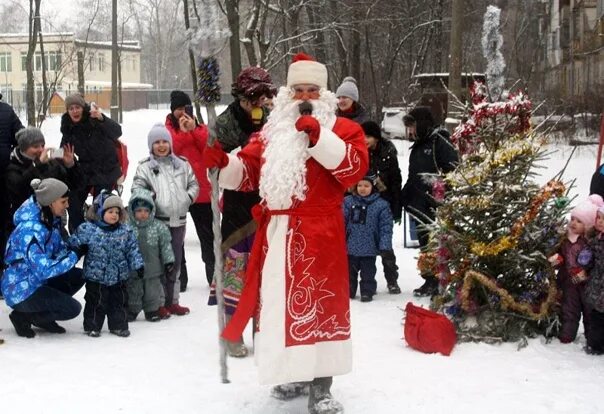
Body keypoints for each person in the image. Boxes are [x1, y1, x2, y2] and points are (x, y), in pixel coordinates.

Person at [203, 52, 368, 414]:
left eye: (311, 89)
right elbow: (248, 171)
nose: (304, 96)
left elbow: (353, 170)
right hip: (277, 233)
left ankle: (321, 386)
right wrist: (224, 163)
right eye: (297, 89)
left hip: (318, 236)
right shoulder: (271, 131)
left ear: (323, 93)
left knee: (319, 310)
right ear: (286, 93)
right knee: (279, 310)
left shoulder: (344, 129)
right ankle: (292, 373)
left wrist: (319, 138)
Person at [207, 66, 276, 358]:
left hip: (270, 201)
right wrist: (243, 154)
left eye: (263, 97)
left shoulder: (274, 121)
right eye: (253, 98)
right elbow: (213, 164)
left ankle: (264, 331)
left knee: (267, 274)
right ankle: (232, 332)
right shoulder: (225, 123)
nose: (259, 103)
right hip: (237, 206)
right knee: (237, 270)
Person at [2, 178, 84, 338]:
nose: (67, 205)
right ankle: (23, 316)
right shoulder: (30, 230)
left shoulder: (48, 221)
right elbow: (45, 270)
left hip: (35, 280)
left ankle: (42, 316)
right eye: (64, 201)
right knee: (72, 309)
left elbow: (58, 252)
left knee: (78, 276)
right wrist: (74, 255)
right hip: (20, 289)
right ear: (50, 202)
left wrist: (77, 245)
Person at [132, 124, 198, 318]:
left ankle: (173, 301)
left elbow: (194, 184)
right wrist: (150, 199)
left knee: (175, 263)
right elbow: (137, 188)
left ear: (170, 144)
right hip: (157, 223)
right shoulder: (145, 167)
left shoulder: (182, 165)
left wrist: (188, 197)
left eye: (164, 142)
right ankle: (158, 302)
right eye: (157, 142)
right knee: (159, 264)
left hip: (179, 221)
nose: (161, 146)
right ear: (150, 146)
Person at [68, 191, 144, 337]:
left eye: (117, 212)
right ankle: (92, 326)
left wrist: (138, 265)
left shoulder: (125, 231)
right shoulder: (88, 229)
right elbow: (73, 242)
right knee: (95, 302)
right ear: (99, 211)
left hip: (119, 275)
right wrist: (77, 250)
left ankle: (118, 325)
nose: (114, 215)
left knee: (119, 302)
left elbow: (132, 250)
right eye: (110, 211)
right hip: (96, 276)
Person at [402, 106, 459, 297]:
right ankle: (430, 280)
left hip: (436, 205)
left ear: (422, 125)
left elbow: (453, 170)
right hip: (419, 205)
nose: (410, 131)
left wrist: (440, 191)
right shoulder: (418, 146)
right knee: (424, 244)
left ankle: (440, 280)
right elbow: (414, 176)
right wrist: (404, 197)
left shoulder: (439, 142)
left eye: (412, 126)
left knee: (437, 245)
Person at [165, 90, 213, 290]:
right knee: (176, 238)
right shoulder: (165, 131)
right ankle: (179, 278)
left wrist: (194, 129)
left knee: (208, 236)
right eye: (178, 109)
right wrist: (185, 134)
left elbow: (210, 147)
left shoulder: (200, 128)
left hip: (202, 192)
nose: (181, 113)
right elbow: (169, 150)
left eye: (185, 108)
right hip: (178, 193)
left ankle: (213, 275)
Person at [60, 93, 122, 231]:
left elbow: (117, 132)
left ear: (83, 108)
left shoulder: (94, 118)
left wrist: (102, 118)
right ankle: (80, 234)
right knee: (73, 203)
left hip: (106, 168)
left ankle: (99, 236)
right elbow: (63, 151)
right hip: (85, 170)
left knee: (99, 205)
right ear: (67, 111)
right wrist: (67, 161)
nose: (75, 111)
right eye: (71, 108)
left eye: (77, 107)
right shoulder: (68, 127)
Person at [549, 195, 603, 344]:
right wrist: (557, 261)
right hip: (568, 282)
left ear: (587, 225)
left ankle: (590, 337)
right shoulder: (565, 240)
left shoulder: (590, 241)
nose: (573, 223)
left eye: (579, 221)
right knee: (569, 308)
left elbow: (595, 261)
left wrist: (585, 271)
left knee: (588, 311)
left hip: (587, 284)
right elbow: (560, 255)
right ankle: (567, 334)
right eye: (572, 219)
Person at [5, 127, 80, 233]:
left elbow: (72, 185)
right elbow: (19, 191)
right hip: (29, 224)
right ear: (24, 148)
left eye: (42, 145)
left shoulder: (49, 163)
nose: (41, 150)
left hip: (54, 221)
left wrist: (70, 166)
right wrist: (37, 165)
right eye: (35, 146)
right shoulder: (13, 167)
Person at [361, 120, 402, 294]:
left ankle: (392, 279)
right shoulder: (359, 152)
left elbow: (395, 182)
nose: (365, 139)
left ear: (376, 137)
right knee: (361, 244)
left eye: (368, 136)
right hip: (362, 205)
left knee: (385, 245)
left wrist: (396, 207)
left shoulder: (388, 154)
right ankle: (363, 280)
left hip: (383, 205)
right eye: (362, 135)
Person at [344, 172, 394, 302]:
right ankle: (349, 290)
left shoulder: (381, 205)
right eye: (360, 185)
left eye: (366, 185)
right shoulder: (348, 202)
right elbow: (341, 222)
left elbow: (385, 227)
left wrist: (384, 245)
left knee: (368, 273)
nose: (362, 188)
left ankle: (367, 291)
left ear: (374, 187)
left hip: (369, 247)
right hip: (351, 246)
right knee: (349, 272)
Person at [126, 189, 175, 322]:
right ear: (132, 211)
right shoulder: (127, 227)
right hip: (134, 270)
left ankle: (151, 310)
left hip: (153, 268)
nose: (143, 214)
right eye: (139, 211)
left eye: (146, 211)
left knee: (152, 292)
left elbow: (165, 246)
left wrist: (168, 261)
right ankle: (132, 310)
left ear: (151, 211)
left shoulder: (158, 227)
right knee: (134, 290)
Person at [0, 92, 23, 275]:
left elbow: (21, 138)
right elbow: (21, 137)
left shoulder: (7, 111)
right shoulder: (7, 110)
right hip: (5, 171)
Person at [583, 204, 604, 354]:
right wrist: (585, 259)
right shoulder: (595, 240)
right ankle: (595, 345)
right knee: (596, 317)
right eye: (598, 218)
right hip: (597, 286)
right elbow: (590, 260)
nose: (600, 221)